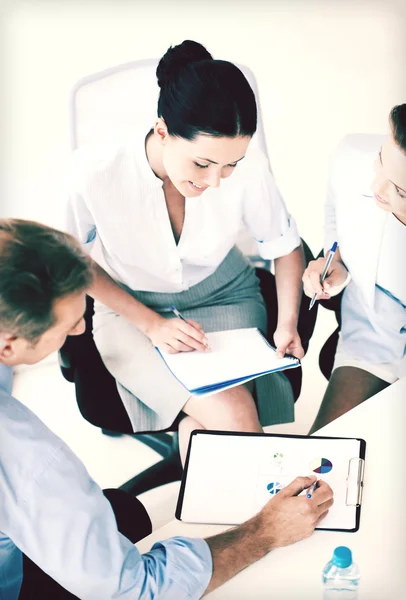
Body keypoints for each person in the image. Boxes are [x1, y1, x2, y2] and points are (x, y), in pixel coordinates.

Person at [0, 219, 333, 599]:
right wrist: (264, 532)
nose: (78, 332)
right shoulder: (30, 463)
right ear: (9, 345)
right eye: (71, 323)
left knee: (124, 513)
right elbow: (138, 590)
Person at [66, 40, 308, 462]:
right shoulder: (95, 169)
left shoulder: (248, 169)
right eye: (202, 164)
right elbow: (71, 259)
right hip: (131, 307)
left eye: (229, 165)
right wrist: (150, 324)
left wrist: (287, 323)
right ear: (162, 131)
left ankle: (218, 481)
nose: (217, 181)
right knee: (234, 414)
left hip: (225, 294)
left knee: (215, 425)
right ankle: (267, 514)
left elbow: (285, 248)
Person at [303, 104, 406, 433]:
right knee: (321, 456)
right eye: (381, 159)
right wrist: (337, 267)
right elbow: (336, 210)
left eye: (400, 190)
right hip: (371, 334)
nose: (378, 187)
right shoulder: (350, 156)